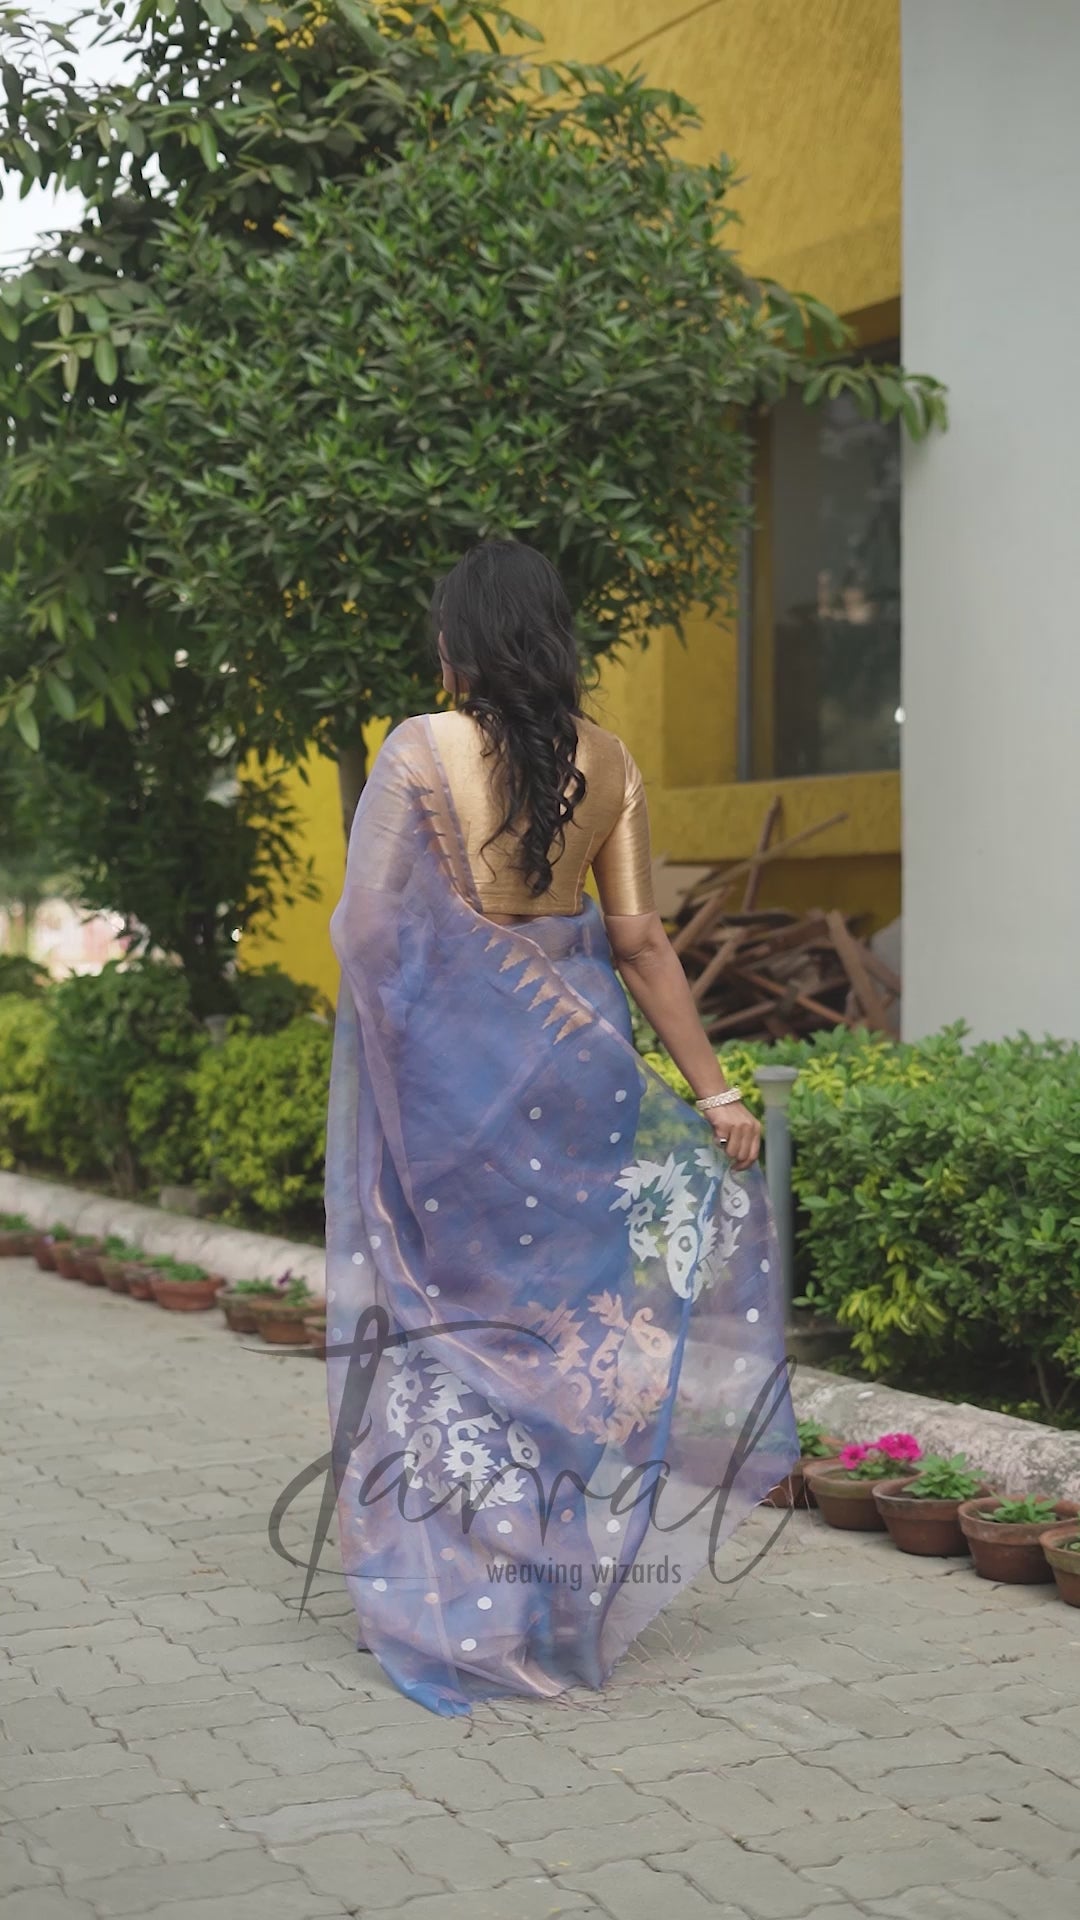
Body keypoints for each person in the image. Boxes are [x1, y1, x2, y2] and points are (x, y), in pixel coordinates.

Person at [325, 539, 796, 1715]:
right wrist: (716, 1093)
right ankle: (553, 1599)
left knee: (453, 1325)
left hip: (451, 1088)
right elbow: (639, 942)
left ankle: (462, 1600)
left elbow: (370, 932)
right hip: (581, 1076)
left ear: (460, 643)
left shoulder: (417, 749)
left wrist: (426, 1027)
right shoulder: (611, 760)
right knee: (564, 1331)